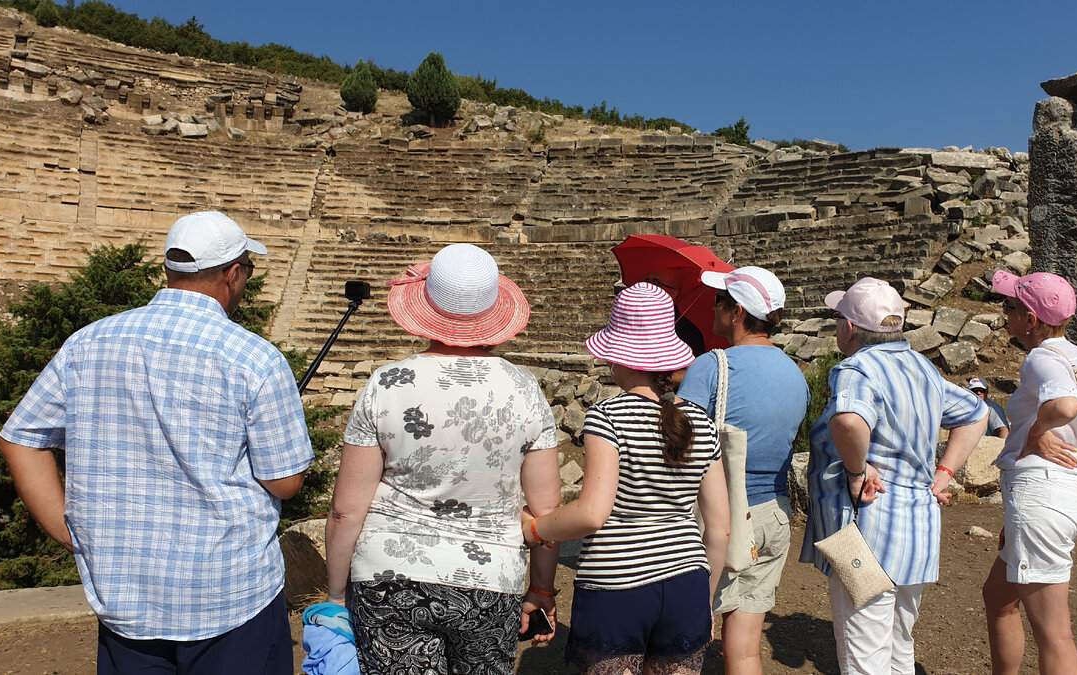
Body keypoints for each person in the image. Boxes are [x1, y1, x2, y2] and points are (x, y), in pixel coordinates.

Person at [0, 211, 313, 674]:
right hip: (229, 592)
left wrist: (72, 532)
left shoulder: (88, 344)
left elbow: (20, 439)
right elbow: (284, 482)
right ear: (232, 273)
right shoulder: (253, 358)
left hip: (125, 596)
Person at [324, 243, 561, 675]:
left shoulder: (386, 384)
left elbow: (345, 511)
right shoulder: (525, 389)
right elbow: (545, 513)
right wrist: (543, 589)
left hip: (388, 577)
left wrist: (336, 596)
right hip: (490, 581)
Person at [520, 282, 729, 675]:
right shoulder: (701, 421)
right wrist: (705, 598)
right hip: (687, 580)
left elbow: (592, 513)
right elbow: (719, 529)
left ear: (618, 357)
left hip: (616, 582)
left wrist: (534, 528)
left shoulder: (607, 416)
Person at [801, 277, 987, 675]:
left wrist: (856, 470)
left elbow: (849, 422)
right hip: (916, 526)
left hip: (866, 529)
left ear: (849, 328)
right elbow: (975, 412)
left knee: (863, 648)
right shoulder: (922, 367)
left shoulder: (856, 369)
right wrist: (944, 472)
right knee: (899, 644)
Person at [677, 266, 808, 675]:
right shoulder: (795, 372)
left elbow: (680, 444)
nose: (714, 309)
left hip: (716, 518)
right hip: (773, 514)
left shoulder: (711, 365)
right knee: (746, 646)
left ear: (735, 312)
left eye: (720, 303)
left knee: (681, 637)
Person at [981, 270, 1077, 675]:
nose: (1003, 312)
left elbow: (1065, 406)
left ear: (1030, 319)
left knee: (1054, 633)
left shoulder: (1042, 357)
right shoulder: (1076, 357)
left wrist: (1034, 432)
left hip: (1043, 497)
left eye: (1010, 306)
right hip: (1057, 496)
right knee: (997, 598)